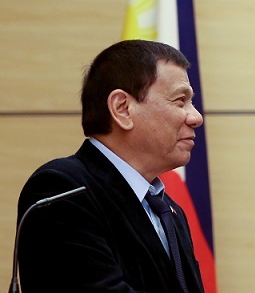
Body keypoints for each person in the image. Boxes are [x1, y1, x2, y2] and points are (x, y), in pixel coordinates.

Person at [17, 40, 205, 293]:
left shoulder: (168, 209)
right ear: (122, 109)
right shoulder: (62, 189)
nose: (196, 117)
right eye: (180, 101)